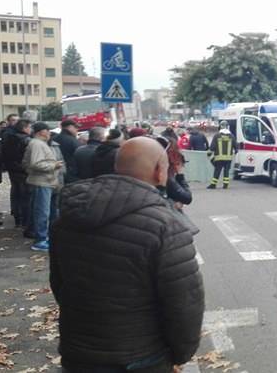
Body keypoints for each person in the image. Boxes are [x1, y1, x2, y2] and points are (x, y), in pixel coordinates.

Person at [50, 137, 204, 372]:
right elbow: (184, 302)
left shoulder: (69, 215)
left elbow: (60, 283)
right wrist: (181, 353)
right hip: (141, 356)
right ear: (159, 172)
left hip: (78, 352)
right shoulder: (166, 226)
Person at [23, 122, 63, 251]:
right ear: (41, 131)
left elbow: (26, 163)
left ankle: (46, 237)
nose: (50, 132)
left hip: (47, 182)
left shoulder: (39, 143)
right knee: (42, 212)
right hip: (42, 182)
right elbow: (35, 164)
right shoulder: (37, 144)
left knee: (48, 211)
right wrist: (54, 165)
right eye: (48, 130)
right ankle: (40, 240)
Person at [2, 119, 32, 229]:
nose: (31, 129)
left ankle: (17, 219)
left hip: (12, 170)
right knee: (25, 196)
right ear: (24, 128)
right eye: (29, 127)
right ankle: (25, 220)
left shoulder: (9, 137)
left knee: (16, 194)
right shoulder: (26, 140)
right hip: (23, 170)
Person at [207, 121, 237, 190]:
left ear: (220, 126)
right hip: (228, 158)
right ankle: (225, 185)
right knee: (226, 171)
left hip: (219, 158)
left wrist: (209, 153)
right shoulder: (231, 136)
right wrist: (236, 151)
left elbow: (212, 147)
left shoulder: (217, 135)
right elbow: (235, 146)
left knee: (217, 171)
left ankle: (213, 184)